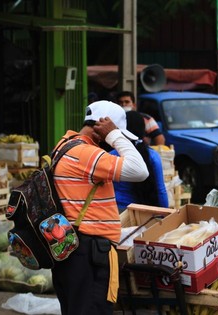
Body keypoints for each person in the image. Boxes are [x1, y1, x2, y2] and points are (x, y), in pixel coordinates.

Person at [51, 100, 148, 314]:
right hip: (88, 253)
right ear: (100, 130)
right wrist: (114, 135)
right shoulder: (87, 154)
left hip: (72, 248)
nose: (113, 146)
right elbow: (140, 170)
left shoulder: (64, 144)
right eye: (113, 137)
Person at [110, 111, 169, 211]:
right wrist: (165, 214)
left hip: (117, 211)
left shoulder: (112, 155)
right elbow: (161, 190)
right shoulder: (153, 156)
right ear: (143, 129)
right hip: (146, 213)